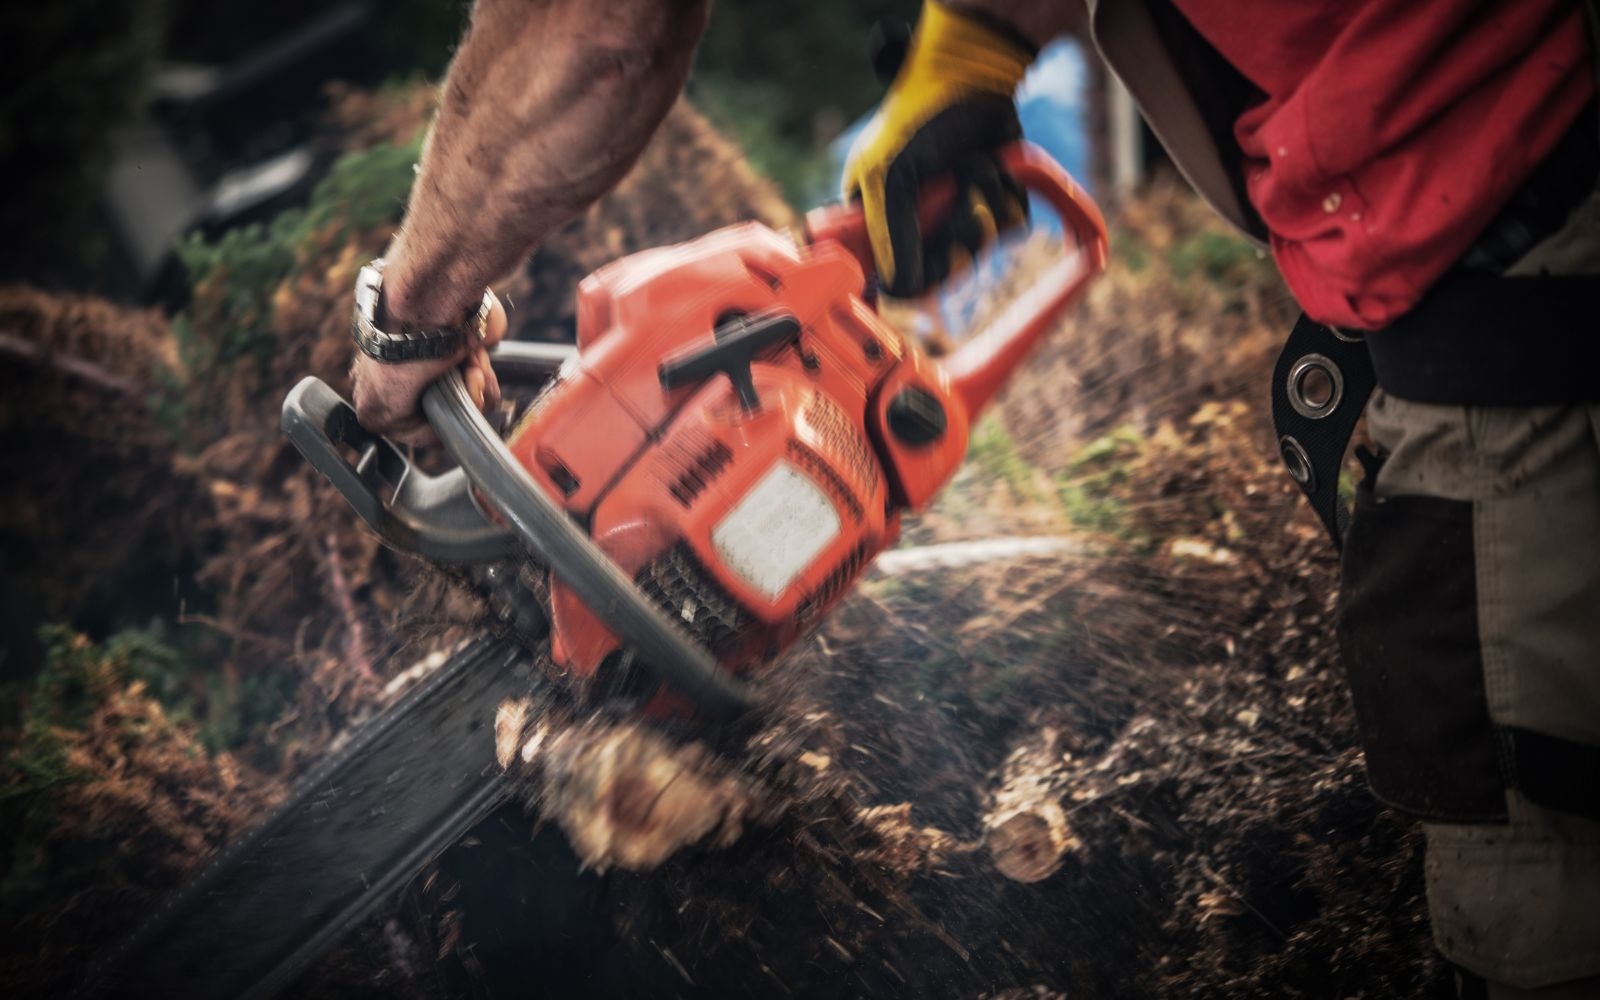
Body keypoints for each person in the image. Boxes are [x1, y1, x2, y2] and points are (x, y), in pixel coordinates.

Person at [348, 1, 1600, 996]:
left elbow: (598, 33)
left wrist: (410, 321)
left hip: (1530, 263)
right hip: (1507, 234)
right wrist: (982, 43)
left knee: (1546, 909)